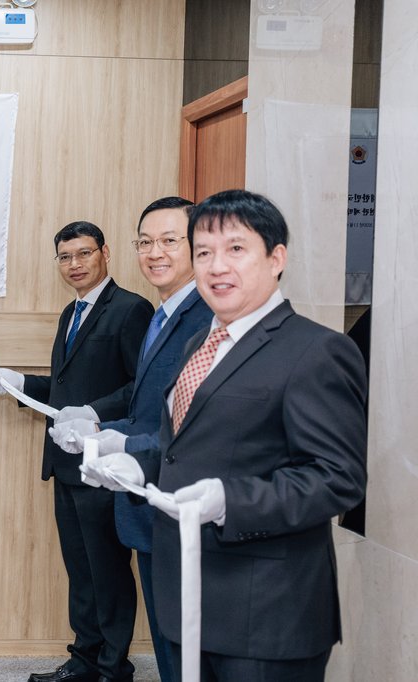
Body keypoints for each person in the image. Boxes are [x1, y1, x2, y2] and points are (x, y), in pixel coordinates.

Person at [83, 189, 368, 681]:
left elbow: (336, 479)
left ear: (276, 258)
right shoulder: (202, 341)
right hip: (189, 592)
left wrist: (227, 500)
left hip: (266, 612)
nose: (217, 267)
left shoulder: (317, 350)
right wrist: (138, 460)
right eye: (204, 252)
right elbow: (185, 444)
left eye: (236, 249)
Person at [50, 197, 211, 682]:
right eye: (147, 241)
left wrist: (103, 428)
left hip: (176, 494)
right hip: (131, 479)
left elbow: (189, 418)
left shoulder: (194, 317)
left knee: (186, 639)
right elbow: (148, 402)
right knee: (165, 633)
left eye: (169, 241)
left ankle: (108, 664)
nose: (155, 252)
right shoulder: (164, 315)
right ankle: (90, 657)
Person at [0, 221, 152, 682]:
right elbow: (66, 390)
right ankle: (85, 658)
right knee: (81, 570)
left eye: (84, 254)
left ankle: (113, 666)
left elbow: (142, 387)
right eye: (65, 257)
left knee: (109, 569)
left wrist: (94, 413)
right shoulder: (70, 313)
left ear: (106, 253)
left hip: (103, 460)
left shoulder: (131, 309)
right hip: (65, 462)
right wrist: (21, 385)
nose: (75, 264)